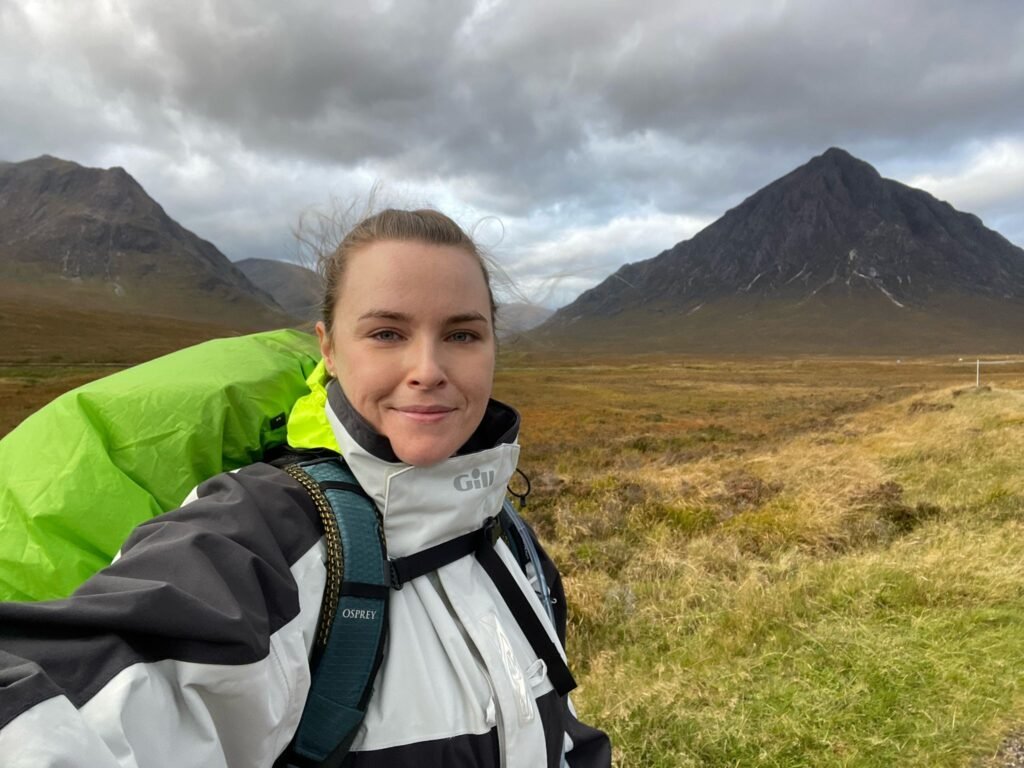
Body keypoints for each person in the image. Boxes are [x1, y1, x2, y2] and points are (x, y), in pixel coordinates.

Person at [0, 209, 611, 767]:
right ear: (330, 350)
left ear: (493, 346)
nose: (427, 370)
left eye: (461, 335)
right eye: (387, 333)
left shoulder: (508, 538)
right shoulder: (261, 535)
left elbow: (556, 735)